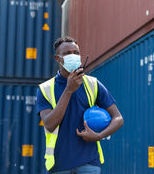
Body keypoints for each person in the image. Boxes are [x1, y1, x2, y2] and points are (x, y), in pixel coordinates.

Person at [36, 37, 124, 174]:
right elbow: (49, 124)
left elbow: (118, 118)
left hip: (89, 163)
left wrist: (99, 136)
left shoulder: (92, 84)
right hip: (59, 165)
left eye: (76, 53)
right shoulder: (45, 89)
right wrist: (68, 90)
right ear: (57, 58)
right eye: (67, 53)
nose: (73, 56)